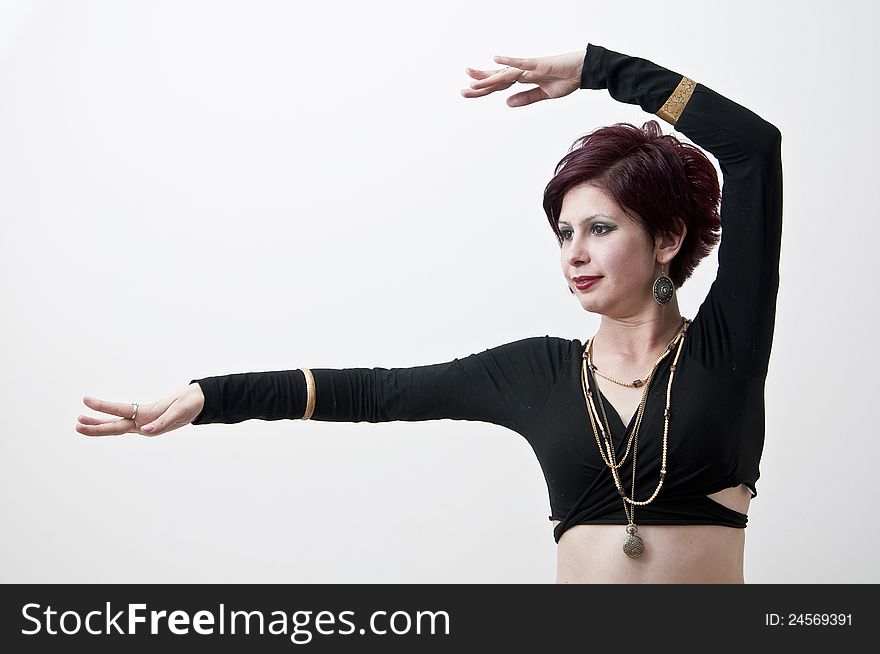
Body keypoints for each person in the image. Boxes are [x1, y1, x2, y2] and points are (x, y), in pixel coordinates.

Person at [75, 43, 783, 584]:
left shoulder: (726, 346)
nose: (574, 253)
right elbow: (380, 392)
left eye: (600, 229)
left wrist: (601, 67)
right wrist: (210, 396)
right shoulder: (536, 372)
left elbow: (754, 148)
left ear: (666, 238)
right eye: (564, 233)